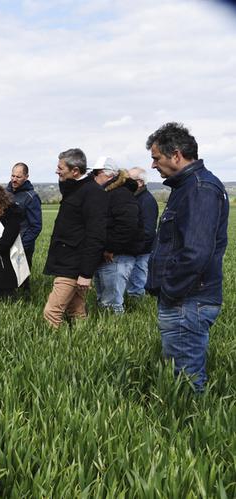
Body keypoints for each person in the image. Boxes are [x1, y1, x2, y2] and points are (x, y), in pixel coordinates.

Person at [145, 122, 228, 391]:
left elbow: (196, 252)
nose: (153, 165)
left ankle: (190, 427)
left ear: (176, 154)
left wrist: (171, 291)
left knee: (186, 381)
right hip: (186, 299)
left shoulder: (200, 189)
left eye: (156, 158)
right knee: (181, 373)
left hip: (188, 299)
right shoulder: (188, 187)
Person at [42, 148, 108, 327]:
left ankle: (52, 352)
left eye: (60, 168)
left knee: (51, 312)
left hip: (73, 264)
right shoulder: (75, 188)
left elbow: (96, 235)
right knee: (76, 310)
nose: (57, 171)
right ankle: (84, 348)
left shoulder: (93, 193)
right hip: (66, 259)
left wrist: (86, 273)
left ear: (75, 171)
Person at [90, 157, 143, 314]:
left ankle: (115, 334)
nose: (93, 177)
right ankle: (107, 334)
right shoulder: (110, 193)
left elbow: (127, 225)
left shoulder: (120, 194)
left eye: (95, 173)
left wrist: (111, 248)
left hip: (116, 257)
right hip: (109, 255)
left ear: (108, 175)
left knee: (111, 304)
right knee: (103, 302)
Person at [6, 162, 42, 293]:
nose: (14, 179)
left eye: (18, 177)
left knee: (21, 279)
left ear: (26, 177)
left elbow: (36, 226)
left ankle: (25, 300)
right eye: (12, 175)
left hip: (22, 245)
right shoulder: (5, 193)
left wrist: (22, 245)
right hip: (5, 242)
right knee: (6, 277)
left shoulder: (31, 197)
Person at [125, 167, 159, 298]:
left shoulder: (147, 201)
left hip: (142, 252)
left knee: (136, 285)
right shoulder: (137, 198)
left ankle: (136, 308)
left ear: (139, 182)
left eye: (128, 180)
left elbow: (148, 231)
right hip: (137, 249)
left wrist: (134, 248)